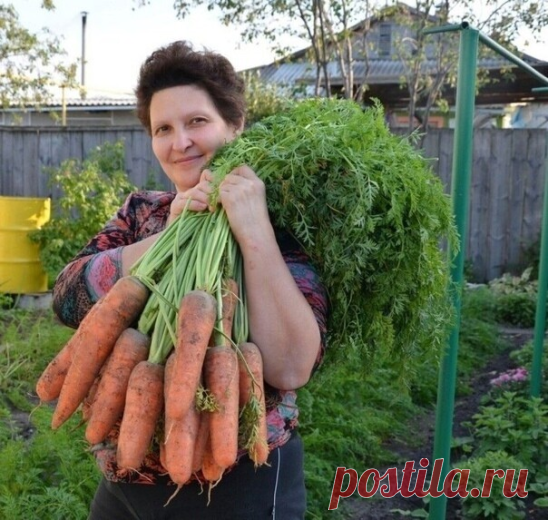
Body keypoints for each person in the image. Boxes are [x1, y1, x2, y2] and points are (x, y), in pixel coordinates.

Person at [52, 40, 328, 520]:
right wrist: (163, 239)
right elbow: (66, 299)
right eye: (163, 128)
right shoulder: (142, 213)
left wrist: (254, 228)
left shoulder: (285, 225)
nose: (180, 142)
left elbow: (289, 368)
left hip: (238, 477)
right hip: (125, 474)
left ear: (235, 125)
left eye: (197, 121)